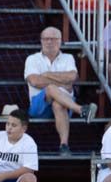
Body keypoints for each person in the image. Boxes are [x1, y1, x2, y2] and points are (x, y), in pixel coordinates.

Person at [24, 26, 95, 155]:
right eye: (46, 39)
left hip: (64, 104)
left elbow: (72, 77)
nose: (49, 42)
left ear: (60, 40)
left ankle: (64, 145)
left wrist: (47, 75)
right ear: (41, 41)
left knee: (58, 103)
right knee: (51, 88)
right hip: (39, 106)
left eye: (53, 39)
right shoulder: (32, 59)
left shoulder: (68, 57)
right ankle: (81, 110)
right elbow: (34, 81)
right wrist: (62, 83)